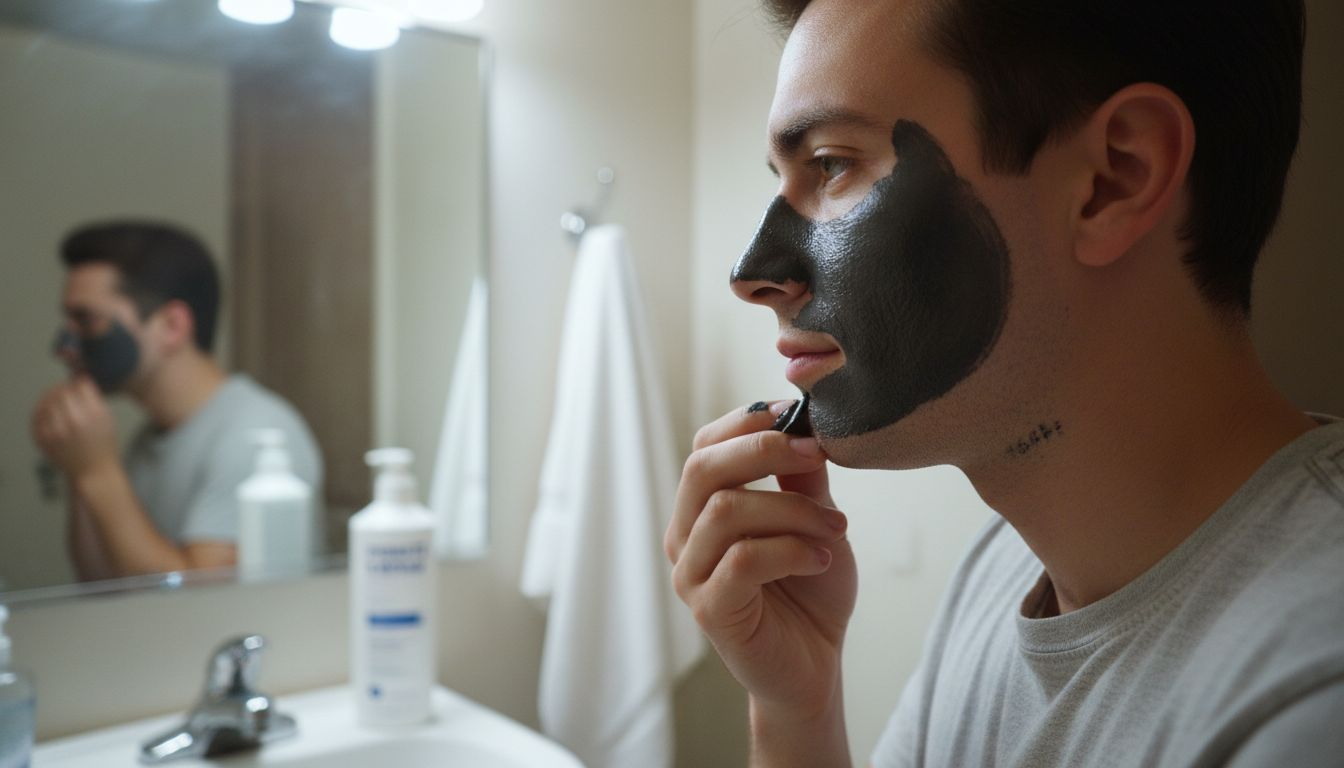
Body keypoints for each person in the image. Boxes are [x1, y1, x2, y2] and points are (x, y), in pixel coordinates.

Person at [667, 1, 1344, 766]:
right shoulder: (1005, 570)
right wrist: (797, 710)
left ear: (1115, 178)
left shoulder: (1313, 693)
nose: (753, 274)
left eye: (831, 165)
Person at [31, 221, 323, 581]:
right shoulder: (148, 441)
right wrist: (82, 470)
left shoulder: (254, 436)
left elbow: (200, 606)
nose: (63, 347)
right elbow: (99, 585)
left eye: (86, 320)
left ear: (172, 326)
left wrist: (98, 472)